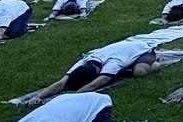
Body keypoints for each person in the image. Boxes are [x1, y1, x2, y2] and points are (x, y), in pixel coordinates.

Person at [26, 40, 161, 104]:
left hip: (141, 49)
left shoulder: (113, 63)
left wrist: (72, 97)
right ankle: (128, 67)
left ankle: (156, 61)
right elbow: (61, 83)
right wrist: (38, 96)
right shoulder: (82, 63)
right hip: (122, 50)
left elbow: (94, 85)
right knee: (120, 73)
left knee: (139, 72)